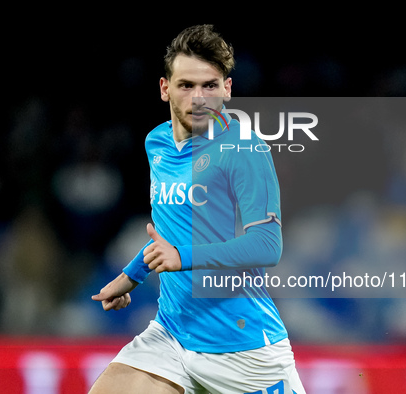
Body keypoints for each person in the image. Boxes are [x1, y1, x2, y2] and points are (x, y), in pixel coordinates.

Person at [89, 24, 306, 394]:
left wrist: (182, 256)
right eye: (186, 85)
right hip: (171, 334)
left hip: (243, 346)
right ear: (164, 89)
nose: (199, 97)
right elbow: (170, 235)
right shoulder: (156, 143)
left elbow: (268, 245)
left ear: (227, 89)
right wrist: (131, 276)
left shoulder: (244, 149)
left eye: (210, 85)